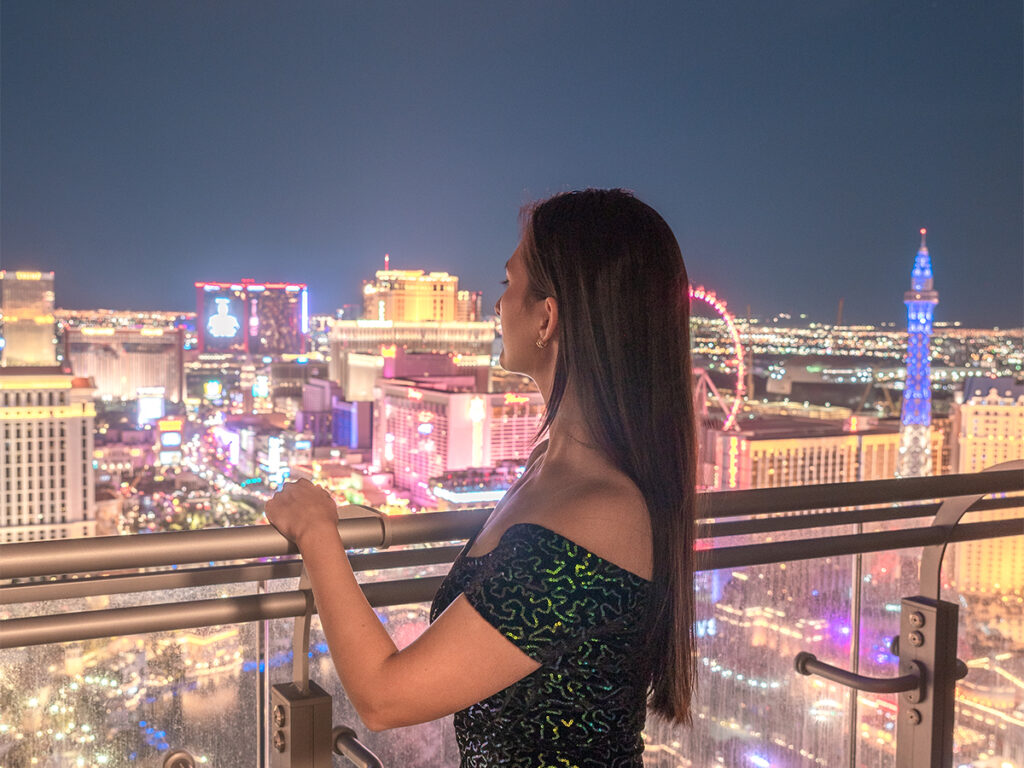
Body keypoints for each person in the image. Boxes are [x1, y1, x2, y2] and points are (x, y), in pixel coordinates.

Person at [265, 188, 698, 766]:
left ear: (548, 317)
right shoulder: (553, 468)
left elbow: (383, 698)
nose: (495, 306)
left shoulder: (600, 510)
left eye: (507, 285)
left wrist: (317, 530)